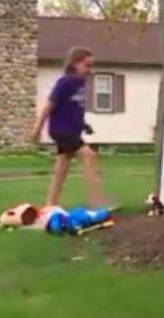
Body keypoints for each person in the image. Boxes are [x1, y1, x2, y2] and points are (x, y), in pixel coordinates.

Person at [29, 47, 108, 208]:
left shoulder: (80, 83)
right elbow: (49, 106)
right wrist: (37, 128)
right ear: (75, 64)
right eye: (86, 66)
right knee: (88, 155)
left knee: (62, 168)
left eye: (91, 66)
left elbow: (74, 108)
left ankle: (50, 204)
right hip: (61, 129)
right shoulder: (65, 82)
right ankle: (96, 201)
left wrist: (84, 125)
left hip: (72, 130)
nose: (89, 70)